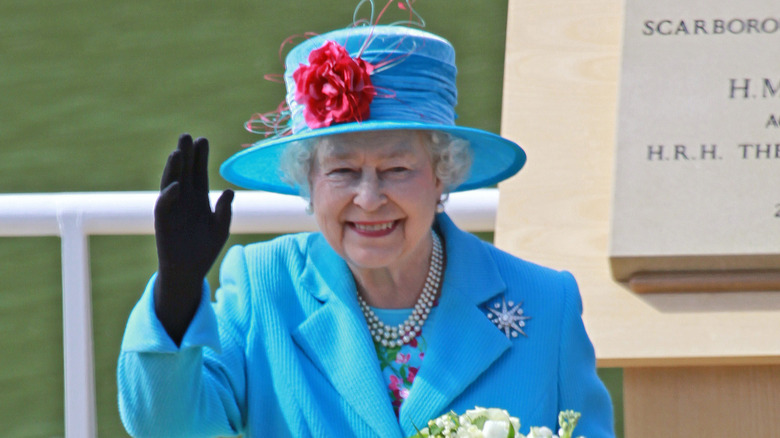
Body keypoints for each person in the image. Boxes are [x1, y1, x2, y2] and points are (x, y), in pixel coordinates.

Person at [117, 8, 614, 438]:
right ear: (307, 180)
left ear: (444, 174)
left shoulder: (546, 304)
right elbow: (167, 427)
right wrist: (177, 294)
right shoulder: (263, 287)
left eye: (398, 169)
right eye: (342, 170)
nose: (370, 199)